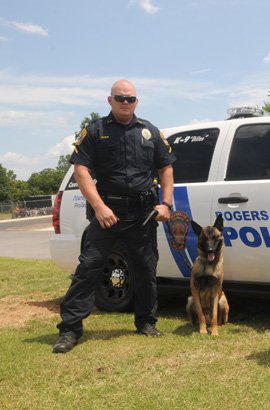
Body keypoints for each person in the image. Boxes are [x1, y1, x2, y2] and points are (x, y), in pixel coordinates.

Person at [52, 79, 176, 353]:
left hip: (142, 214)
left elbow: (165, 167)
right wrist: (99, 207)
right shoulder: (95, 131)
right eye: (120, 98)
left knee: (146, 268)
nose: (125, 102)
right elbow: (81, 171)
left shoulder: (150, 132)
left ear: (137, 101)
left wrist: (166, 203)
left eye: (130, 98)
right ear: (110, 100)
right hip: (108, 213)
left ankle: (146, 322)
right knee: (88, 268)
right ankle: (70, 330)